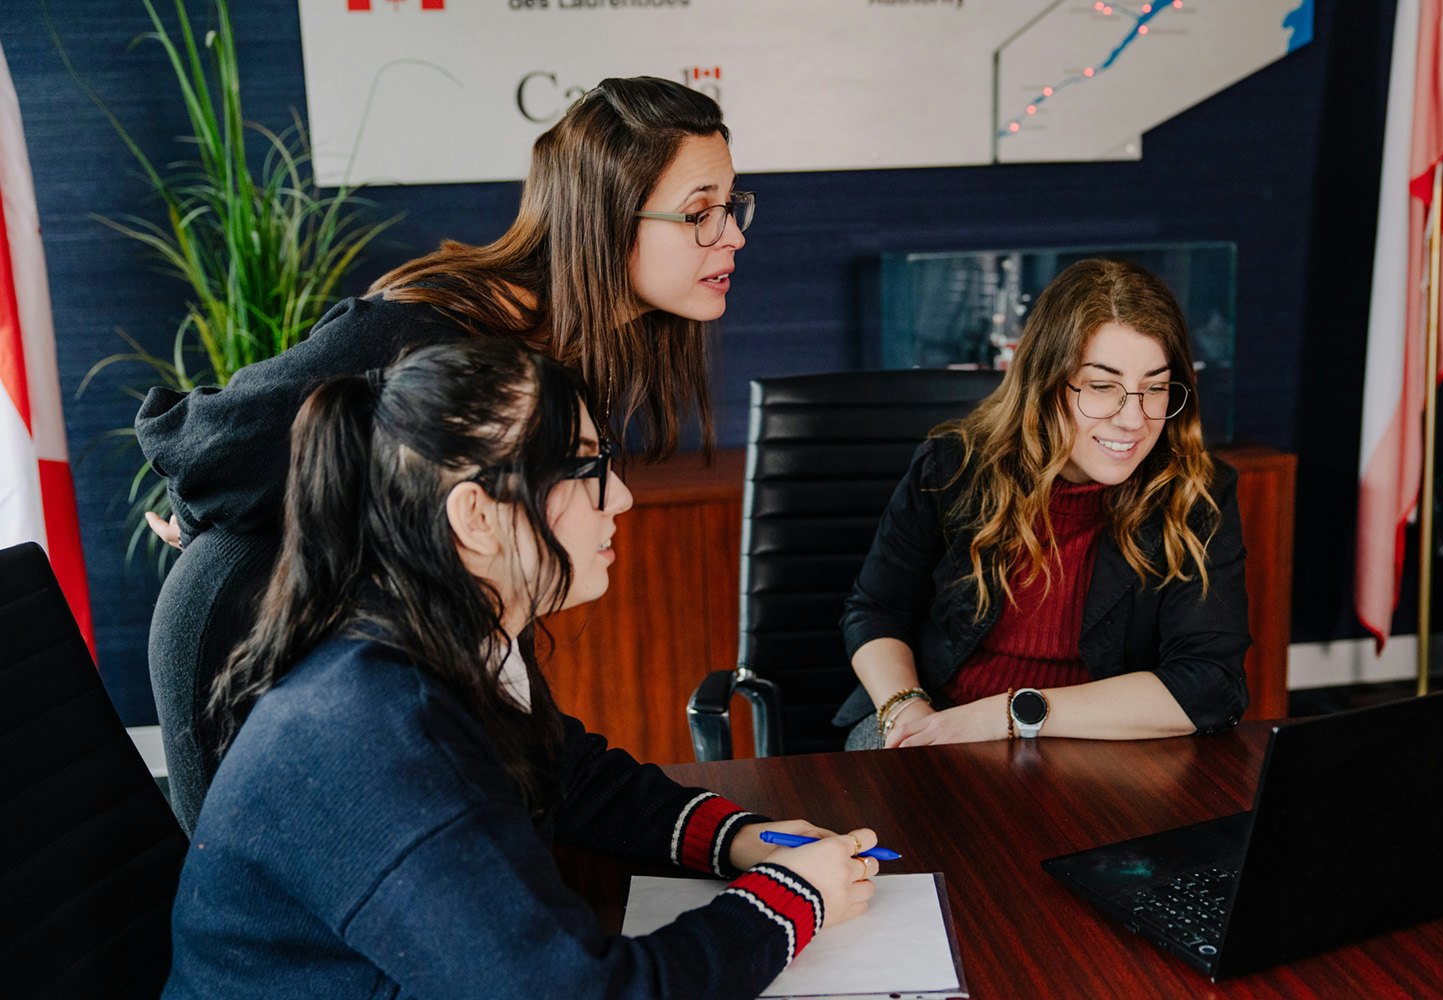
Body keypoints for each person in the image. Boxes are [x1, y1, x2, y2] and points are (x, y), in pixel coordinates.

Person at [162, 339, 880, 999]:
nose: (621, 497)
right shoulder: (377, 732)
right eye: (588, 469)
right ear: (476, 516)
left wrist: (733, 838)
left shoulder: (438, 637)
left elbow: (566, 773)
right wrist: (789, 900)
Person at [134, 76, 752, 829]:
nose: (732, 235)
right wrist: (197, 508)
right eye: (698, 214)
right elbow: (200, 439)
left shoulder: (572, 350)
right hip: (244, 635)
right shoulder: (432, 328)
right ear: (604, 219)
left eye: (730, 206)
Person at [836, 258, 1250, 751]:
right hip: (942, 717)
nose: (1134, 420)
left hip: (1096, 742)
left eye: (1155, 388)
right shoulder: (952, 468)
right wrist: (908, 709)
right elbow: (876, 610)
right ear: (1046, 383)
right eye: (1102, 387)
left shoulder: (1196, 493)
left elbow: (1209, 683)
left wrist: (1010, 714)